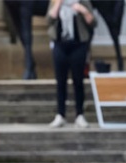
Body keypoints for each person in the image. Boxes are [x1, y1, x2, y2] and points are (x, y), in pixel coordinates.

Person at [46, 0, 96, 129]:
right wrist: (57, 5)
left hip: (78, 45)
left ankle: (80, 114)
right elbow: (49, 20)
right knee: (60, 81)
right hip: (60, 44)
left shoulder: (83, 1)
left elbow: (93, 23)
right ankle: (60, 114)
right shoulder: (55, 1)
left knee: (78, 80)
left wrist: (83, 10)